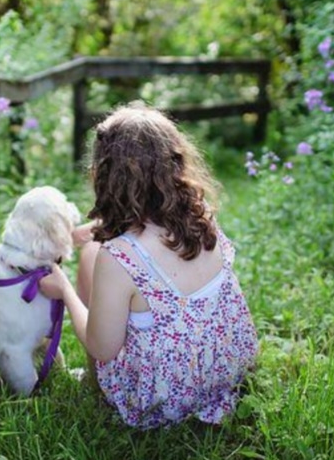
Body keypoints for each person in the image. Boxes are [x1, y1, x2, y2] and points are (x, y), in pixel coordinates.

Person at [39, 103, 258, 429]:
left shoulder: (118, 257)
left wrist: (66, 292)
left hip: (162, 399)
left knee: (90, 255)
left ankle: (95, 384)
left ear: (108, 175)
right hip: (226, 371)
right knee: (99, 252)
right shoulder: (201, 216)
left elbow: (103, 348)